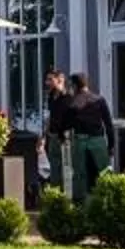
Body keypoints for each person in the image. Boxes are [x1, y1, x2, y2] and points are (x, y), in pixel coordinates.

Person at [66, 72, 114, 196]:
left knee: (80, 175)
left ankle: (81, 205)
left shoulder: (73, 103)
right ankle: (107, 200)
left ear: (75, 86)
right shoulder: (99, 100)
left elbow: (66, 124)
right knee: (104, 172)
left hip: (80, 142)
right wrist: (111, 145)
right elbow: (108, 124)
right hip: (98, 141)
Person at [42, 68, 73, 199]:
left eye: (50, 79)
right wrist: (44, 134)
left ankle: (66, 196)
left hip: (65, 138)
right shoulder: (51, 96)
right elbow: (50, 116)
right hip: (52, 136)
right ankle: (55, 196)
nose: (47, 82)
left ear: (60, 79)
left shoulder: (68, 97)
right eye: (46, 79)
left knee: (66, 167)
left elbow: (70, 119)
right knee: (53, 167)